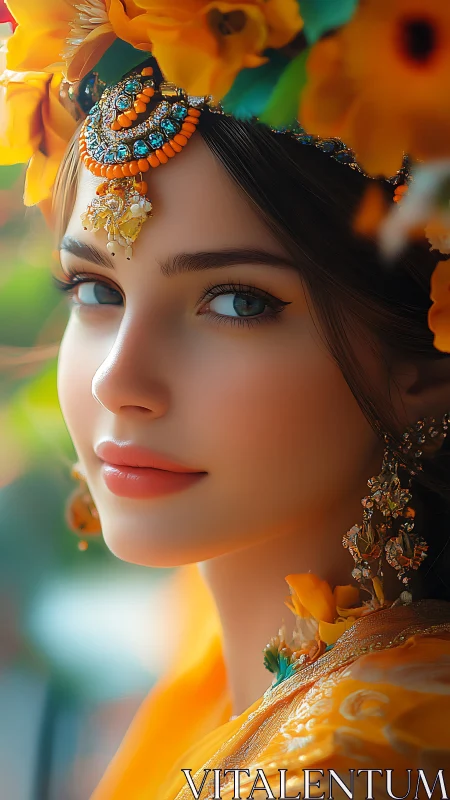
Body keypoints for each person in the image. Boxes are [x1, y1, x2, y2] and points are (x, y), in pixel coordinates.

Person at [2, 11, 450, 799]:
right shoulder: (224, 657)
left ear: (426, 367)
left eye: (238, 303)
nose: (118, 380)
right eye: (95, 290)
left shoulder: (356, 762)